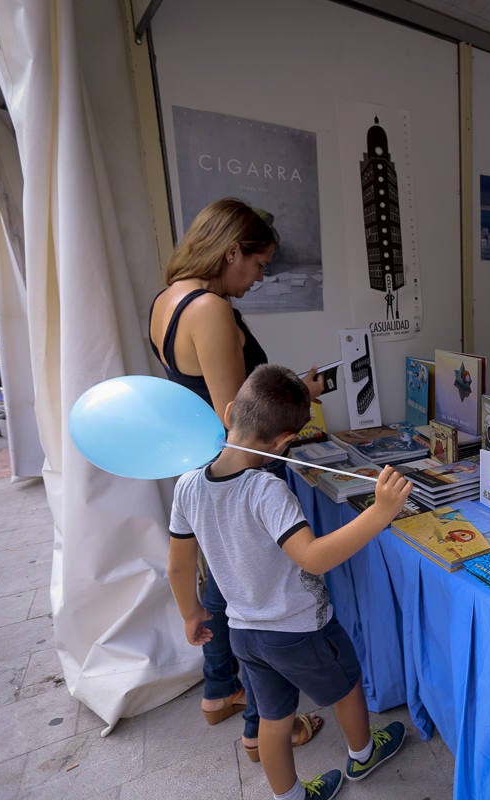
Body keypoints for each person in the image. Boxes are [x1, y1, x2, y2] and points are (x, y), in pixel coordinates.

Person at [167, 365, 413, 800]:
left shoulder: (187, 485)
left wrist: (192, 614)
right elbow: (313, 558)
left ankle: (290, 797)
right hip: (301, 630)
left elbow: (179, 567)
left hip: (244, 633)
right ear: (285, 442)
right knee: (347, 683)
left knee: (274, 719)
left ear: (228, 413)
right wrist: (380, 512)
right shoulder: (266, 490)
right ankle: (362, 754)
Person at [148, 198, 324, 756]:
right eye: (258, 263)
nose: (260, 276)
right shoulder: (210, 310)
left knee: (220, 583)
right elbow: (237, 418)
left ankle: (219, 691)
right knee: (245, 593)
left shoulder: (167, 300)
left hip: (200, 463)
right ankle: (261, 726)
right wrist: (299, 407)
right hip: (235, 472)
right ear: (231, 251)